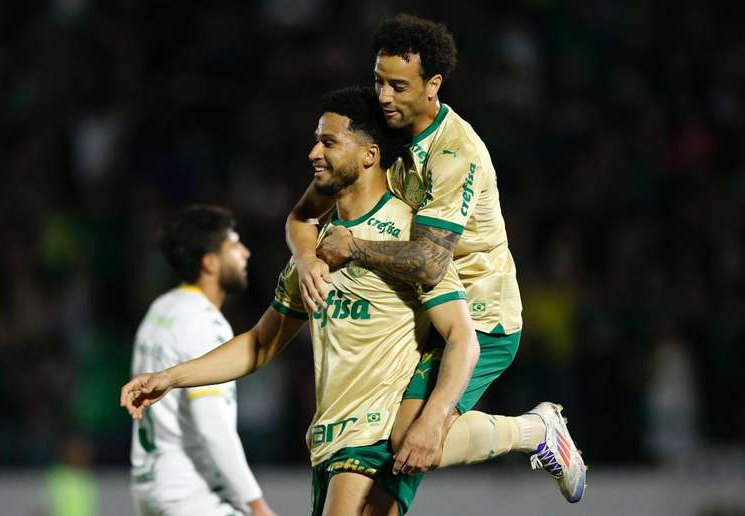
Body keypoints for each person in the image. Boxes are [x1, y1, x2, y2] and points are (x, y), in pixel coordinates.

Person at [122, 86, 480, 516]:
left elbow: (463, 337)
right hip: (330, 444)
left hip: (375, 442)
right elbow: (260, 344)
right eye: (316, 140)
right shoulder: (317, 252)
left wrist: (431, 418)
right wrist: (171, 378)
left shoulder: (407, 235)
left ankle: (532, 431)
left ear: (369, 155)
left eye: (328, 142)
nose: (313, 152)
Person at [285, 14, 586, 502]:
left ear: (433, 85)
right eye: (379, 81)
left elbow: (429, 261)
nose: (384, 96)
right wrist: (306, 259)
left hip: (478, 317)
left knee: (410, 436)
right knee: (385, 461)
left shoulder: (455, 152)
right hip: (420, 319)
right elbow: (301, 217)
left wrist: (353, 246)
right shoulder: (382, 132)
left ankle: (536, 431)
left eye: (399, 86)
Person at [128, 205, 276, 516]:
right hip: (191, 493)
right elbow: (212, 426)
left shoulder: (161, 309)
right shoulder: (205, 324)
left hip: (149, 486)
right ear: (210, 262)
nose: (246, 253)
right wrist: (257, 505)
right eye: (234, 245)